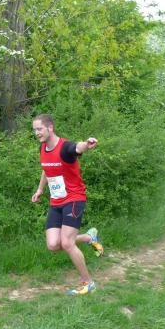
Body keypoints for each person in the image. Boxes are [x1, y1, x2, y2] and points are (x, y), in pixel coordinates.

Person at [31, 114, 103, 296]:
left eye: (39, 129)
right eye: (34, 130)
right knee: (53, 245)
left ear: (50, 128)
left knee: (67, 243)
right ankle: (88, 237)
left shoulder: (65, 147)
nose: (36, 133)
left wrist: (87, 144)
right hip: (56, 202)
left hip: (73, 199)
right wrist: (40, 190)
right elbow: (46, 169)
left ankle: (88, 283)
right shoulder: (43, 148)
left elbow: (77, 147)